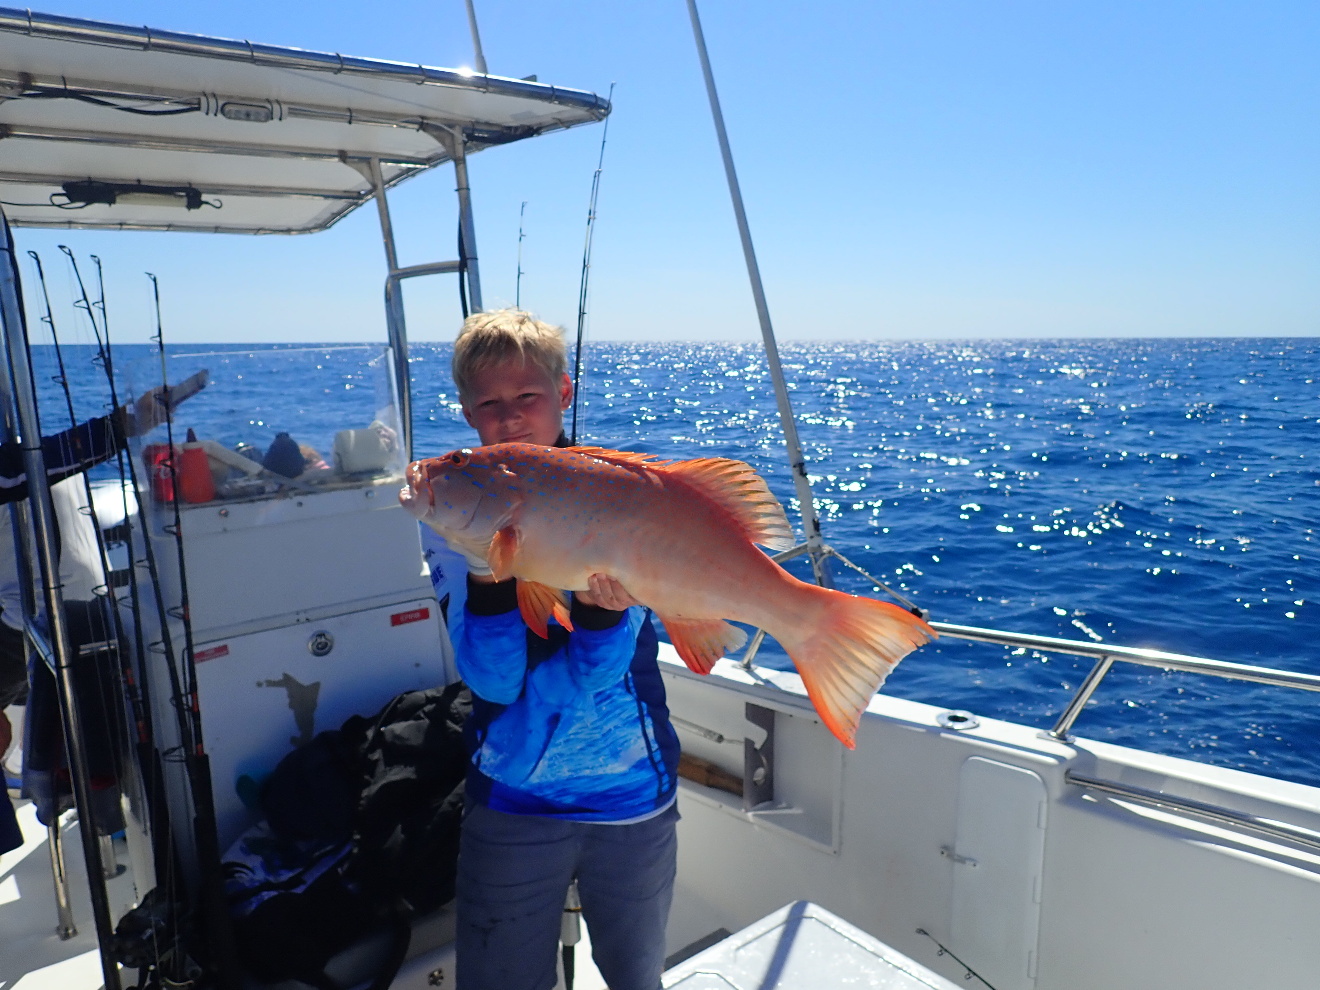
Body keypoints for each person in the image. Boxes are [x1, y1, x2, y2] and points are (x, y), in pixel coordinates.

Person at [419, 309, 680, 990]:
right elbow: (493, 683)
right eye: (489, 404)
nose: (510, 417)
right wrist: (486, 573)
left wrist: (600, 614)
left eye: (528, 396)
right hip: (512, 801)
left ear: (563, 393)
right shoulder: (456, 509)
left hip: (631, 797)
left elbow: (600, 672)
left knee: (637, 979)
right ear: (466, 412)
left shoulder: (619, 491)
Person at [0, 383, 191, 854]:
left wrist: (128, 423)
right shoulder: (39, 453)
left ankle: (36, 780)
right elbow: (46, 461)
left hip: (34, 625)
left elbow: (23, 473)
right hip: (95, 607)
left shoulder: (21, 465)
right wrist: (130, 422)